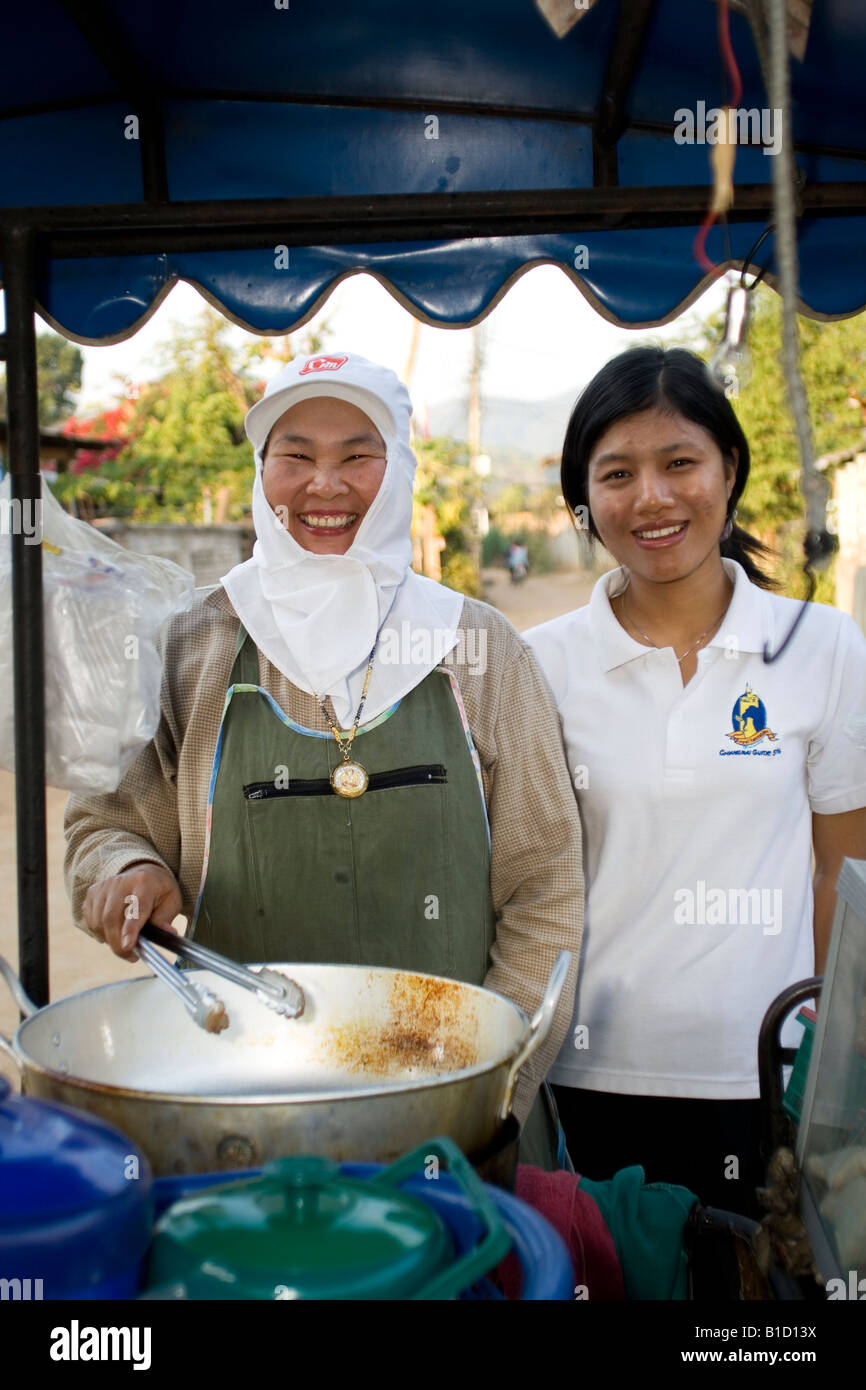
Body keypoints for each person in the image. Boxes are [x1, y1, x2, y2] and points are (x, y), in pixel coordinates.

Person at [64, 351, 583, 1163]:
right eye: (295, 456)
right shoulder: (194, 642)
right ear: (261, 470)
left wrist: (490, 1092)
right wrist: (124, 870)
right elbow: (106, 822)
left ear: (401, 466)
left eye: (356, 456)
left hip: (462, 1127)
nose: (324, 486)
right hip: (240, 1116)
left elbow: (546, 885)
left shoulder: (479, 649)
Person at [524, 345, 866, 1215]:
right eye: (617, 473)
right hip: (591, 1069)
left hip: (774, 1072)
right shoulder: (538, 665)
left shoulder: (821, 648)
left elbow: (843, 872)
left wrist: (830, 1053)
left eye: (680, 462)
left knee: (755, 1335)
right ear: (584, 501)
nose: (653, 498)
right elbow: (524, 879)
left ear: (730, 469)